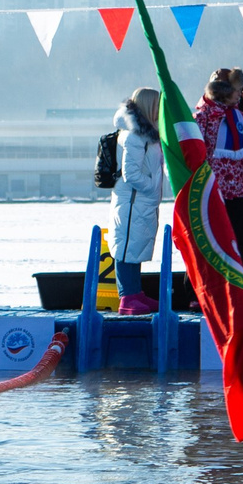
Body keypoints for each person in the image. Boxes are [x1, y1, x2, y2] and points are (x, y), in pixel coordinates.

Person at [197, 69, 243, 309]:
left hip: (239, 193)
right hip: (213, 192)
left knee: (236, 246)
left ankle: (237, 291)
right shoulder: (204, 115)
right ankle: (206, 291)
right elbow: (198, 154)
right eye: (238, 91)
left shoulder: (239, 117)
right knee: (211, 243)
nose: (241, 95)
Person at [109, 88, 165, 314]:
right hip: (133, 201)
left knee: (136, 246)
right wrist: (151, 186)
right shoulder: (135, 136)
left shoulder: (148, 134)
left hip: (141, 202)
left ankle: (135, 293)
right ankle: (127, 296)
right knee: (127, 247)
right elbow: (130, 173)